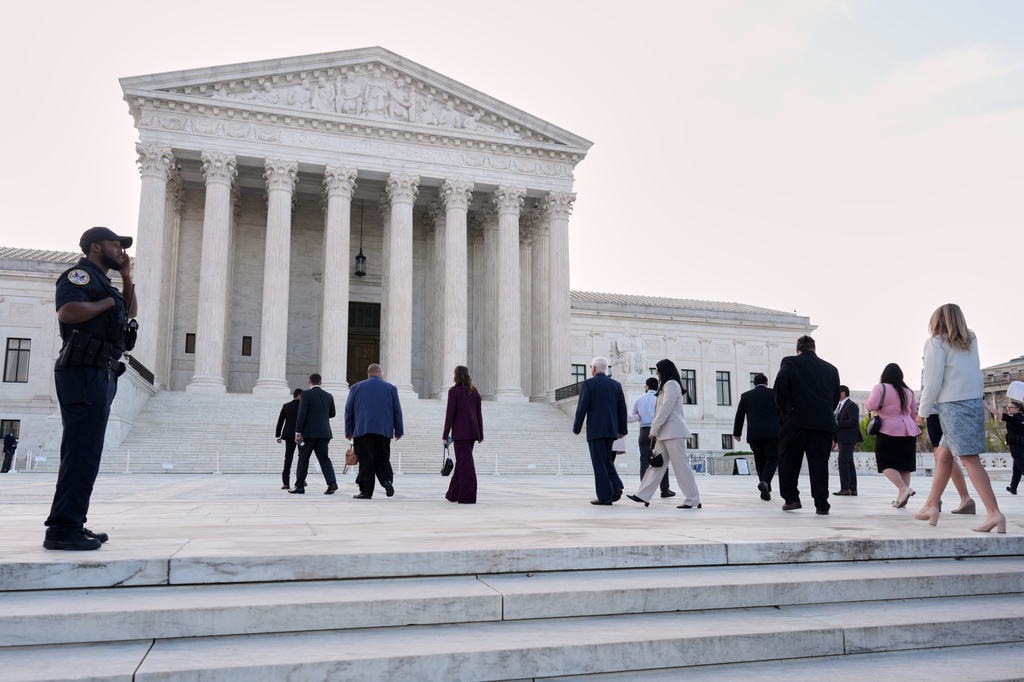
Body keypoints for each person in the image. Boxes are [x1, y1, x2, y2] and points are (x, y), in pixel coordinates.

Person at [44, 227, 137, 550]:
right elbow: (68, 312)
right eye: (116, 244)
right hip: (82, 370)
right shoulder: (79, 276)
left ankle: (72, 522)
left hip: (100, 372)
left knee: (88, 452)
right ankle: (61, 529)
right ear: (95, 247)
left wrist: (125, 280)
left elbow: (128, 312)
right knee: (81, 451)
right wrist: (106, 303)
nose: (121, 250)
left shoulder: (105, 284)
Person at [913, 304, 1004, 533]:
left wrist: (922, 412)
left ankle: (994, 513)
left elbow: (932, 382)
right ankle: (931, 505)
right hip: (973, 402)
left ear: (936, 320)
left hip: (953, 405)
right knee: (943, 454)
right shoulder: (970, 340)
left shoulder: (935, 343)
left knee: (969, 459)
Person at [774, 335, 841, 515]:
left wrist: (787, 407)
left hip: (796, 421)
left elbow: (779, 388)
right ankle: (821, 503)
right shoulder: (831, 370)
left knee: (788, 460)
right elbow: (834, 398)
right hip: (823, 422)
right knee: (819, 464)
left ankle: (791, 498)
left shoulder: (790, 363)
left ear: (798, 349)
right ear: (814, 348)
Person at [626, 359, 702, 509]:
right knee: (656, 464)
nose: (656, 373)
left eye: (658, 370)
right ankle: (642, 494)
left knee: (681, 467)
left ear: (664, 370)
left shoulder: (671, 385)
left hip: (673, 432)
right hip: (665, 433)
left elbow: (665, 409)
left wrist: (653, 430)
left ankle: (693, 499)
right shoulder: (666, 386)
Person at [865, 363, 922, 508]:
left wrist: (867, 403)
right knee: (904, 466)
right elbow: (913, 413)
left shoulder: (880, 387)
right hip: (909, 430)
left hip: (888, 429)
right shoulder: (908, 391)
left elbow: (871, 406)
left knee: (885, 463)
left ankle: (903, 489)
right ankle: (901, 498)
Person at [572, 356, 627, 505]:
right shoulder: (616, 385)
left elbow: (582, 407)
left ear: (594, 368)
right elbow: (622, 408)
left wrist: (577, 427)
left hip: (596, 430)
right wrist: (622, 430)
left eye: (591, 367)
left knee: (599, 463)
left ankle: (604, 496)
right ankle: (616, 484)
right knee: (607, 459)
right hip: (611, 430)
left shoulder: (589, 384)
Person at [345, 363, 403, 499]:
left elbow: (349, 411)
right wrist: (398, 430)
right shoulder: (391, 388)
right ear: (379, 372)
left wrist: (349, 430)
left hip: (363, 430)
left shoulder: (356, 387)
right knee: (382, 457)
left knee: (366, 460)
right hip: (383, 430)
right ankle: (386, 480)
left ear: (368, 373)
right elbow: (397, 411)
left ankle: (366, 491)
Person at [732, 373, 779, 501]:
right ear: (767, 382)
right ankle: (764, 483)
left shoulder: (746, 396)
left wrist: (737, 432)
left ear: (754, 383)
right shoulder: (774, 393)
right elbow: (781, 412)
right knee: (773, 459)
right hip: (772, 433)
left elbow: (740, 415)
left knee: (760, 460)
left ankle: (765, 488)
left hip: (754, 434)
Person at [289, 374, 338, 495]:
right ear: (321, 383)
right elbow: (332, 413)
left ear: (309, 382)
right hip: (324, 432)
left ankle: (300, 486)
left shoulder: (305, 394)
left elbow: (302, 414)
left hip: (309, 433)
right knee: (324, 458)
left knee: (303, 458)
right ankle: (332, 484)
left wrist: (298, 432)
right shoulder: (328, 396)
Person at [629, 376, 676, 498]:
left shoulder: (640, 399)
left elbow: (634, 417)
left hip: (644, 432)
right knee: (662, 460)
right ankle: (664, 490)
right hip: (659, 431)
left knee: (644, 461)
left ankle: (642, 490)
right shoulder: (661, 398)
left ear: (647, 387)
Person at [442, 365, 484, 504]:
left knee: (466, 464)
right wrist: (480, 434)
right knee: (462, 464)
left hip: (460, 433)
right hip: (472, 432)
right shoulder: (475, 392)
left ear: (456, 376)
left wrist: (445, 434)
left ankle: (468, 496)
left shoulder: (454, 392)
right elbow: (479, 416)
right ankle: (453, 494)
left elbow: (450, 415)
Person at [983, 398, 1024, 495]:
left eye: (1011, 407)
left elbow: (997, 413)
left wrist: (987, 404)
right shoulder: (1022, 418)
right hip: (1022, 446)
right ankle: (1013, 487)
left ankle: (1013, 487)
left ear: (1018, 409)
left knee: (1022, 466)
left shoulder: (1012, 419)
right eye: (1008, 407)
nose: (1008, 409)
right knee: (1017, 468)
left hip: (1016, 448)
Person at [833, 385, 862, 496]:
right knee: (848, 462)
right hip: (842, 437)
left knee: (843, 462)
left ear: (843, 393)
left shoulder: (851, 405)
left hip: (848, 438)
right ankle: (852, 488)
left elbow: (854, 422)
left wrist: (838, 423)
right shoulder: (841, 406)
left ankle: (845, 488)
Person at [275, 388, 303, 490]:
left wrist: (278, 435)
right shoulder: (303, 406)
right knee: (302, 458)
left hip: (289, 435)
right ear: (299, 396)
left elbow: (280, 421)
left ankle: (286, 482)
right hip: (301, 436)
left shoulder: (286, 406)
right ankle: (301, 480)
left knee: (288, 458)